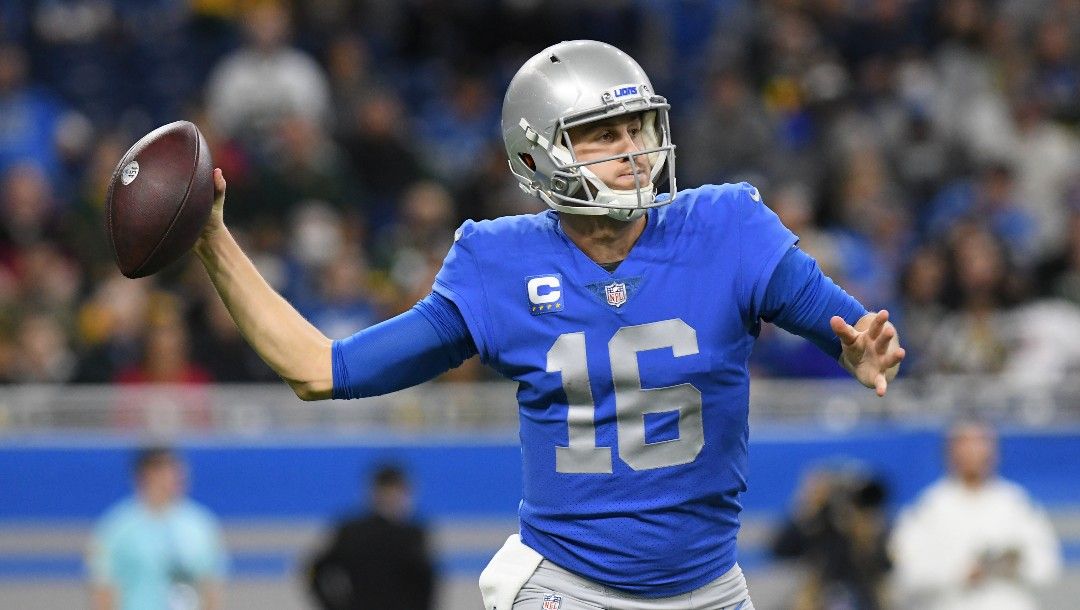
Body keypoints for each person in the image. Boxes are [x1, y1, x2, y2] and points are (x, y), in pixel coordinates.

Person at [193, 40, 904, 610]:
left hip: (711, 587)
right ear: (538, 157)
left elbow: (847, 329)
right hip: (570, 587)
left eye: (638, 128)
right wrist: (214, 242)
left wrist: (861, 352)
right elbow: (323, 369)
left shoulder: (726, 225)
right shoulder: (497, 263)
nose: (632, 152)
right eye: (602, 136)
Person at [889, 420, 1062, 610]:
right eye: (964, 443)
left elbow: (1047, 565)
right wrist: (961, 572)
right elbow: (906, 572)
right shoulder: (928, 508)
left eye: (980, 443)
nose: (972, 451)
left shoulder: (1015, 504)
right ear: (949, 451)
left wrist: (1012, 566)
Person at [86, 447, 227, 610]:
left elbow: (211, 587)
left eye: (177, 469)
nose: (175, 476)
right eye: (166, 469)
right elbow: (104, 589)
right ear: (145, 475)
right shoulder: (117, 528)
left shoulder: (201, 524)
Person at [306, 465, 434, 610]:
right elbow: (426, 582)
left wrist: (331, 604)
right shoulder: (354, 532)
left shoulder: (352, 531)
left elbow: (425, 580)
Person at [772, 466, 892, 610]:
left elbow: (884, 566)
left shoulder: (870, 531)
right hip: (817, 598)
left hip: (864, 598)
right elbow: (780, 549)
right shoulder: (816, 528)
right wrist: (809, 511)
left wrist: (865, 531)